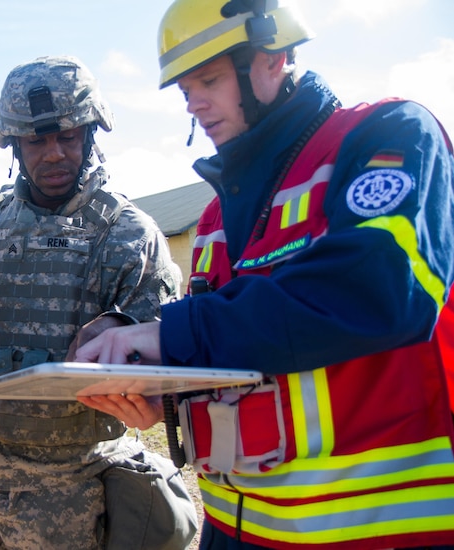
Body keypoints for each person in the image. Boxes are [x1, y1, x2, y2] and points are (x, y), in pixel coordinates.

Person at [74, 1, 454, 548]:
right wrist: (168, 394)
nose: (195, 103)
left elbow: (383, 289)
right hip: (235, 531)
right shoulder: (211, 221)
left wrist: (172, 334)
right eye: (185, 90)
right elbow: (255, 356)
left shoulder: (384, 136)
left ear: (273, 58)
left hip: (379, 532)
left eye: (209, 78)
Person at [0, 55, 197, 550]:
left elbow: (162, 367)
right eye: (37, 140)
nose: (54, 154)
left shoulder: (127, 234)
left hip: (71, 481)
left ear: (91, 134)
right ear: (14, 145)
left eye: (68, 137)